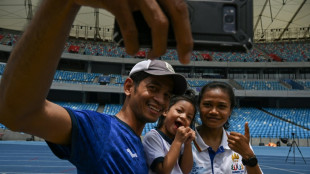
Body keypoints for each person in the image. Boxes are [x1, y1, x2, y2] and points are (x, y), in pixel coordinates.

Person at [0, 0, 193, 172]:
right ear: (128, 87)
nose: (160, 99)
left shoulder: (139, 145)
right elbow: (18, 112)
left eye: (167, 95)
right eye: (153, 88)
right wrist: (60, 4)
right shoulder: (101, 130)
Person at [191, 81, 263, 174]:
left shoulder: (239, 144)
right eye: (207, 104)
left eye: (221, 106)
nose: (214, 111)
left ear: (230, 110)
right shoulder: (185, 141)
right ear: (198, 106)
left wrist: (249, 156)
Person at [143, 89, 196, 174]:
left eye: (189, 117)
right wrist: (178, 141)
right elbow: (164, 171)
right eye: (179, 111)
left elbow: (185, 171)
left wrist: (187, 143)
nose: (183, 117)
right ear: (165, 111)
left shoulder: (181, 142)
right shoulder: (152, 137)